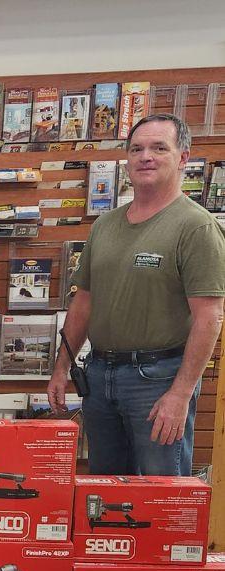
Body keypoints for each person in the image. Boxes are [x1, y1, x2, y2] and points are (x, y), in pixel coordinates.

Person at [48, 113, 225, 475]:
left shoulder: (196, 227)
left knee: (160, 495)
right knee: (104, 493)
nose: (146, 156)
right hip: (99, 375)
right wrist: (61, 367)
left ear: (183, 157)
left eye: (160, 147)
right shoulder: (105, 225)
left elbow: (210, 317)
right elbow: (84, 302)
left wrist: (180, 394)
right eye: (137, 149)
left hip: (158, 379)